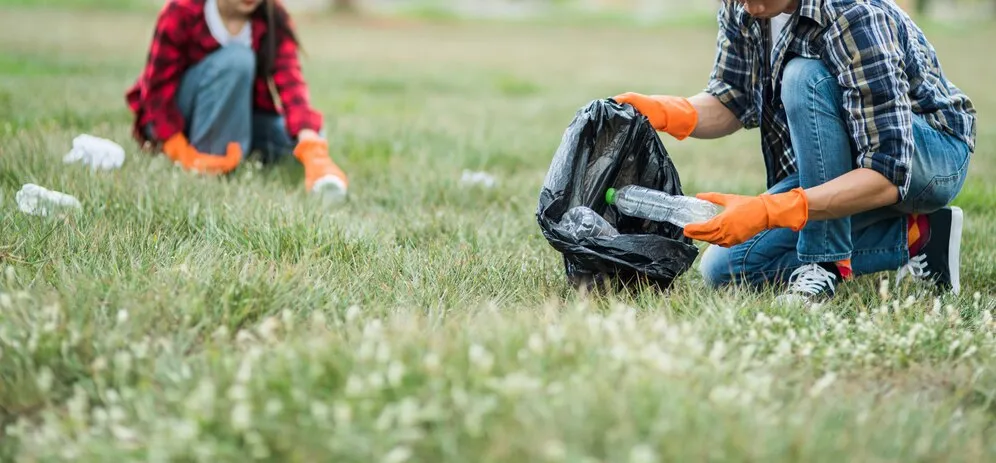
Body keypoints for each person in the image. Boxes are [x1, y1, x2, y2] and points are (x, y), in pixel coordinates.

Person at [614, 0, 976, 304]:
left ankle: (823, 264)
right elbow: (734, 98)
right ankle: (921, 235)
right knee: (725, 268)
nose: (746, 5)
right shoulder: (746, 5)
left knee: (804, 76)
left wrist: (774, 210)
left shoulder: (854, 14)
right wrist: (667, 112)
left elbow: (887, 171)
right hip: (857, 159)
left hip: (929, 158)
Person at [125, 0, 348, 200]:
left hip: (240, 115)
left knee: (309, 134)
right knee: (238, 60)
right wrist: (175, 146)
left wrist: (310, 145)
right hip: (180, 121)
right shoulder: (182, 11)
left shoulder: (272, 17)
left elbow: (291, 85)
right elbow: (156, 92)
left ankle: (240, 150)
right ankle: (210, 159)